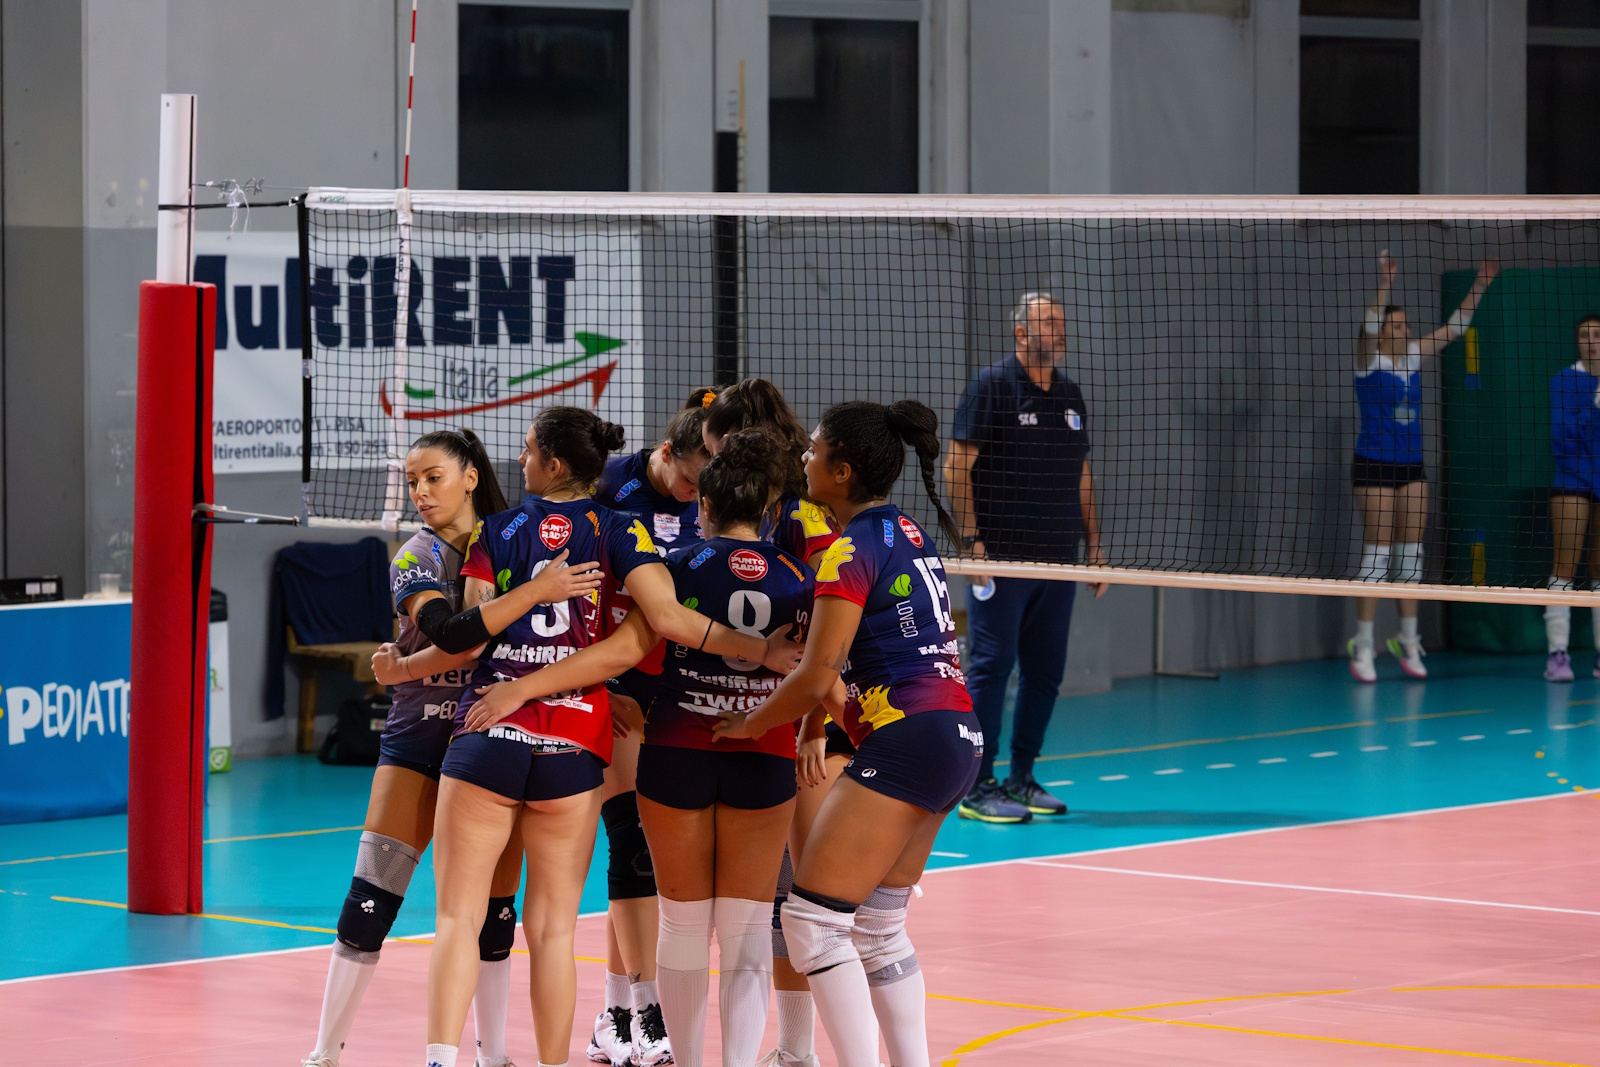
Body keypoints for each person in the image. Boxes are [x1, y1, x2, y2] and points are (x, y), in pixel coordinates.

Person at [406, 407, 800, 1067]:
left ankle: (443, 1058)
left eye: (529, 450)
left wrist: (419, 667)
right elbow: (665, 618)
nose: (521, 460)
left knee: (457, 920)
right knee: (553, 932)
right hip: (574, 741)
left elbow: (466, 638)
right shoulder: (622, 530)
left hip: (489, 730)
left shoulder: (493, 531)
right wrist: (759, 652)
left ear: (553, 462)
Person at [308, 429, 602, 1067]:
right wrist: (407, 669)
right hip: (419, 740)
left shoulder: (513, 536)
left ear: (470, 477)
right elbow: (453, 632)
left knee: (495, 916)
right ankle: (324, 1052)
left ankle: (493, 1055)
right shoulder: (415, 556)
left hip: (493, 741)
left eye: (432, 477)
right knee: (371, 898)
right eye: (412, 481)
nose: (420, 492)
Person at [714, 399, 975, 1067]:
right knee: (879, 927)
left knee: (812, 922)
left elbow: (815, 674)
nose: (804, 457)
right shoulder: (907, 532)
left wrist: (749, 724)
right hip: (954, 735)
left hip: (908, 738)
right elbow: (845, 665)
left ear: (842, 470)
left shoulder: (848, 550)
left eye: (816, 449)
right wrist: (814, 723)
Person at [703, 379, 843, 1064]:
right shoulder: (774, 511)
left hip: (814, 715)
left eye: (716, 449)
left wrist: (811, 726)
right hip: (784, 711)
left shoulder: (799, 519)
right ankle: (794, 1049)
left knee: (813, 899)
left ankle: (807, 1049)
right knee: (791, 897)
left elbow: (827, 633)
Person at [584, 387, 715, 1067]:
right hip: (617, 681)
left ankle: (612, 1013)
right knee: (630, 841)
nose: (697, 493)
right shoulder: (611, 487)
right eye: (691, 479)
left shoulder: (713, 500)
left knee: (648, 853)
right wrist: (603, 684)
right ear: (667, 453)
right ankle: (645, 1007)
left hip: (676, 683)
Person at [944, 292, 1106, 825]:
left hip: (1058, 560)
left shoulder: (1070, 394)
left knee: (1046, 672)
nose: (1060, 330)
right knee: (992, 667)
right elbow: (956, 468)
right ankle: (976, 784)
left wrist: (1094, 548)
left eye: (1062, 321)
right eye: (1049, 322)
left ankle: (1022, 776)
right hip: (1003, 560)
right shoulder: (990, 386)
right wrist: (972, 543)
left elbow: (1082, 474)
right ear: (1022, 333)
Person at [1346, 252, 1498, 682]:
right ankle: (1363, 644)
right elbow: (1368, 325)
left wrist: (1480, 286)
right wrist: (1385, 284)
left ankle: (1408, 640)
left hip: (1411, 467)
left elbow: (1455, 328)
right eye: (1396, 325)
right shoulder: (1368, 361)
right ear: (1381, 333)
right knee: (1377, 554)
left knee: (1411, 554)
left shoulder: (1413, 356)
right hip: (1374, 465)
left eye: (1406, 325)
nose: (1405, 330)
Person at [1543, 313, 1600, 681]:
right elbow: (1563, 437)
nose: (1592, 341)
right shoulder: (1562, 380)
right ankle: (1557, 655)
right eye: (1585, 335)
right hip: (1571, 479)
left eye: (1598, 335)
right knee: (1564, 567)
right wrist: (1594, 406)